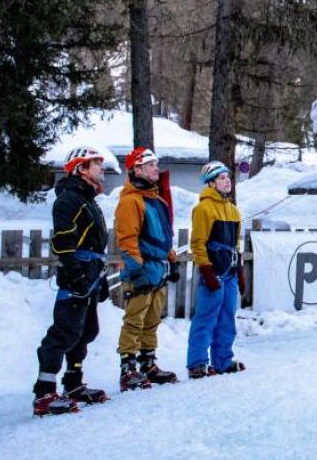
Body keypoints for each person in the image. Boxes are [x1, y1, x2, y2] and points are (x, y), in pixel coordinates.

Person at [32, 146, 112, 416]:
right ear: (81, 168)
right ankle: (44, 392)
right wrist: (74, 272)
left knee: (86, 331)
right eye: (96, 164)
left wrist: (98, 279)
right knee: (64, 331)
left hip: (91, 271)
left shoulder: (89, 200)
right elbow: (64, 240)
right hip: (76, 271)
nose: (102, 168)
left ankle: (73, 383)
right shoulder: (69, 199)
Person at [115, 146, 179, 390]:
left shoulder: (156, 200)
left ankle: (148, 363)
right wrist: (136, 270)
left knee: (152, 319)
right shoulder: (130, 201)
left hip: (159, 268)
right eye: (151, 164)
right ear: (137, 169)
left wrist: (172, 260)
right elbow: (127, 239)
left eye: (156, 164)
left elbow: (164, 236)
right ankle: (127, 368)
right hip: (141, 267)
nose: (156, 168)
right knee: (135, 319)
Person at [186, 160, 247, 379]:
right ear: (210, 183)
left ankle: (222, 360)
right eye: (221, 177)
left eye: (228, 177)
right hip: (214, 271)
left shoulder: (233, 210)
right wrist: (206, 269)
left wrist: (239, 270)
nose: (227, 180)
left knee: (227, 317)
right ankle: (197, 363)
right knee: (206, 317)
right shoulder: (203, 208)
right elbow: (198, 243)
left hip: (229, 271)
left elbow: (236, 244)